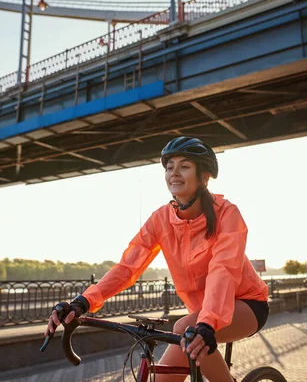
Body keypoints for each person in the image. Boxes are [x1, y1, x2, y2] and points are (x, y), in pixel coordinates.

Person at [45, 136, 270, 382]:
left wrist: (208, 321)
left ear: (204, 177)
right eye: (169, 167)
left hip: (247, 305)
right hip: (199, 320)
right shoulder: (161, 219)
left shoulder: (226, 213)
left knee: (185, 330)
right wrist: (84, 301)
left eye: (184, 166)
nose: (174, 173)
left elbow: (223, 269)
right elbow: (128, 266)